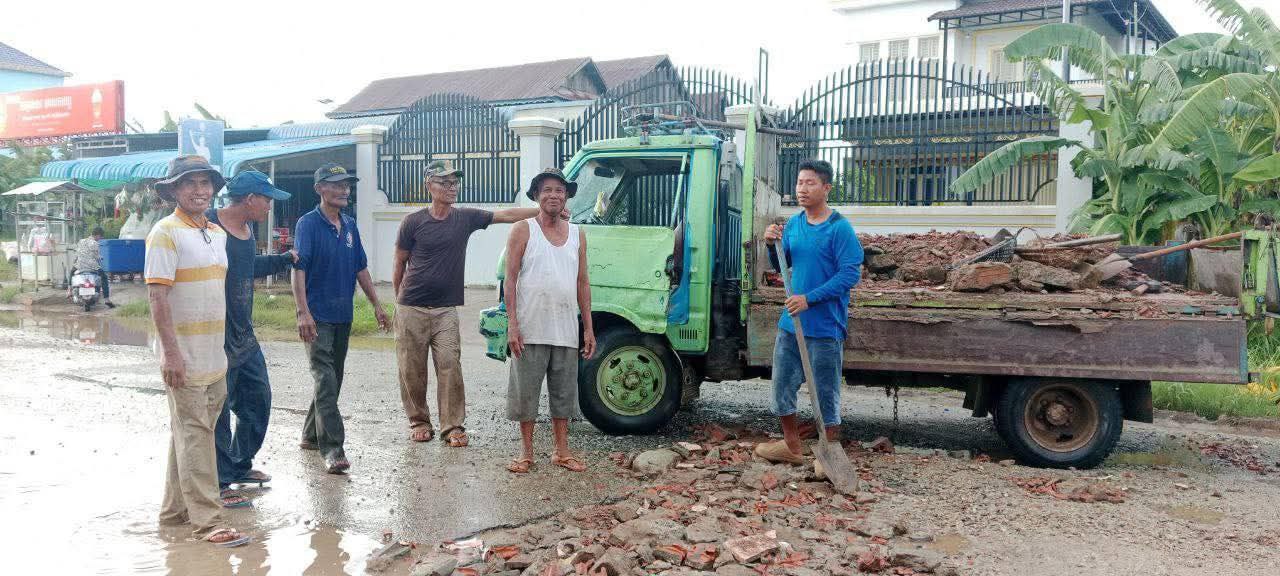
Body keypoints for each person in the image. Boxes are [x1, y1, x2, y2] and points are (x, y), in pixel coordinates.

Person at [391, 159, 549, 447]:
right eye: (444, 182)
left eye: (455, 182)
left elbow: (506, 215)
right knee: (411, 369)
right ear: (429, 185)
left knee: (450, 364)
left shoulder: (464, 218)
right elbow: (400, 262)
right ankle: (419, 421)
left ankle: (452, 427)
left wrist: (545, 210)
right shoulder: (413, 222)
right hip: (410, 306)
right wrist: (399, 303)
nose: (452, 187)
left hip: (445, 310)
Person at [144, 155, 248, 547]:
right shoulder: (164, 233)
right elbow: (157, 297)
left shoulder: (217, 234)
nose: (199, 190)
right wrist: (171, 355)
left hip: (214, 358)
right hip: (183, 359)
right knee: (197, 437)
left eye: (205, 183)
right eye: (190, 183)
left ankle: (174, 513)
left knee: (187, 436)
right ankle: (209, 522)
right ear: (173, 190)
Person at [755, 159, 864, 465]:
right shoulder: (794, 225)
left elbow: (849, 275)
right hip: (791, 323)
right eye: (800, 182)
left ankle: (828, 453)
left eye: (810, 183)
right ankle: (792, 446)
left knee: (826, 392)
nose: (802, 189)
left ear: (826, 188)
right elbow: (783, 265)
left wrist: (809, 299)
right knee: (782, 385)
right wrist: (771, 245)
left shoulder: (839, 228)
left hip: (825, 325)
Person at [293, 162, 390, 474]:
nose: (344, 190)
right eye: (336, 185)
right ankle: (333, 449)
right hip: (317, 316)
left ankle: (310, 435)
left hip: (342, 314)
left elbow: (360, 267)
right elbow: (299, 269)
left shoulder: (349, 225)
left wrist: (377, 304)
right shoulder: (307, 224)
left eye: (346, 185)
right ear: (320, 189)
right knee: (325, 379)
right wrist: (303, 312)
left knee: (332, 378)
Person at [209, 171, 295, 501]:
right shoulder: (209, 226)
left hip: (244, 336)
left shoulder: (246, 232)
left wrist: (283, 260)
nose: (269, 207)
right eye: (267, 200)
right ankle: (219, 482)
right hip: (215, 337)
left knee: (258, 401)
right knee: (218, 413)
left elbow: (247, 268)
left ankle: (238, 464)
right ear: (249, 199)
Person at [503, 168, 595, 474]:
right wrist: (512, 324)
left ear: (566, 196)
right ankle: (526, 453)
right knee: (526, 392)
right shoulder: (523, 230)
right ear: (536, 196)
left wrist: (588, 328)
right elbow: (510, 280)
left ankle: (561, 451)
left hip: (565, 327)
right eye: (546, 190)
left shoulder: (577, 234)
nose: (553, 195)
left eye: (559, 190)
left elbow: (582, 282)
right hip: (530, 327)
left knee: (564, 393)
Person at [71, 226, 115, 308]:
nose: (100, 239)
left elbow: (77, 254)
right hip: (92, 266)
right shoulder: (95, 243)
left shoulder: (81, 241)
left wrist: (75, 263)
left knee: (71, 274)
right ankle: (107, 299)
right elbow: (96, 257)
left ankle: (69, 290)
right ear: (98, 235)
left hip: (79, 265)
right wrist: (100, 258)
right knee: (104, 277)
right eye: (100, 237)